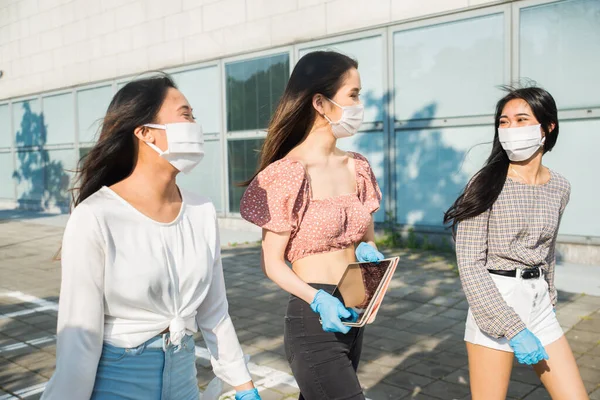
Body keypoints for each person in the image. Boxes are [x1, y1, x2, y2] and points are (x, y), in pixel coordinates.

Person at [42, 75, 261, 400]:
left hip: (184, 378)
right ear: (145, 133)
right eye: (185, 114)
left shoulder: (201, 210)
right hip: (117, 382)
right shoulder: (95, 216)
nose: (195, 125)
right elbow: (80, 339)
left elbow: (214, 312)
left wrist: (244, 385)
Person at [240, 51, 384, 400]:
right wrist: (317, 299)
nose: (359, 105)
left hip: (353, 312)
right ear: (321, 102)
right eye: (353, 95)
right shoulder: (288, 173)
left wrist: (373, 263)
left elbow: (368, 242)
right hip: (314, 318)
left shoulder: (358, 166)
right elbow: (272, 263)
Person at [444, 87, 588, 400]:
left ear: (547, 127)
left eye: (521, 120)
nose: (511, 129)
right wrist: (514, 327)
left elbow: (547, 250)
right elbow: (469, 263)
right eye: (504, 122)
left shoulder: (560, 186)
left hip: (538, 303)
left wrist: (549, 293)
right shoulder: (485, 183)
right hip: (495, 300)